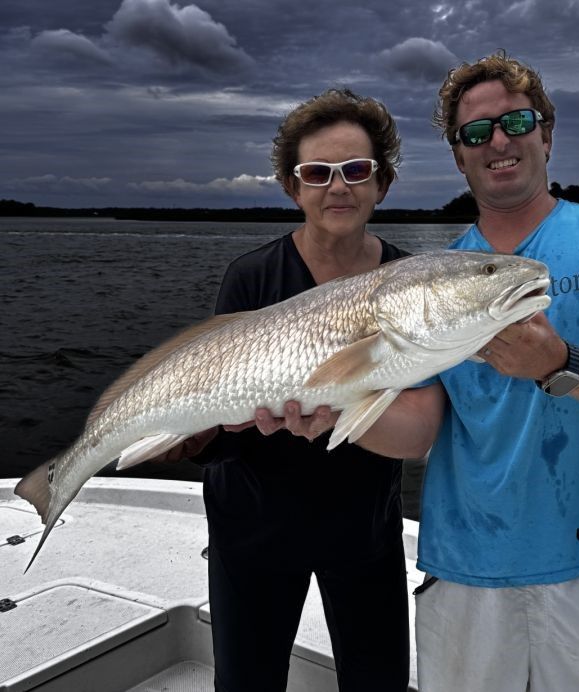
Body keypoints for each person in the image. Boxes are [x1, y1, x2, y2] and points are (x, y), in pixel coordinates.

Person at [280, 52, 579, 692]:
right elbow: (418, 432)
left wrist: (563, 363)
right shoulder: (429, 278)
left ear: (547, 133)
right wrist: (333, 407)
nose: (497, 143)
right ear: (459, 156)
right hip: (466, 575)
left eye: (515, 122)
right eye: (475, 134)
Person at [167, 89, 411, 692]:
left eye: (356, 170)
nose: (339, 187)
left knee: (378, 682)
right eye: (317, 173)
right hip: (252, 528)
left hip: (365, 528)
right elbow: (217, 415)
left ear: (381, 184)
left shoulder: (411, 285)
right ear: (292, 187)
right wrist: (193, 439)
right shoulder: (251, 277)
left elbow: (418, 412)